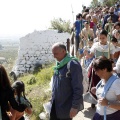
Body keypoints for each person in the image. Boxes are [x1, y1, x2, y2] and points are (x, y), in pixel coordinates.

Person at [50, 42, 83, 120]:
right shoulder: (59, 64)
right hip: (55, 105)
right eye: (53, 54)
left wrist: (75, 107)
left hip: (65, 108)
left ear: (63, 51)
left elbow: (78, 88)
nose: (54, 56)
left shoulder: (73, 65)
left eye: (56, 54)